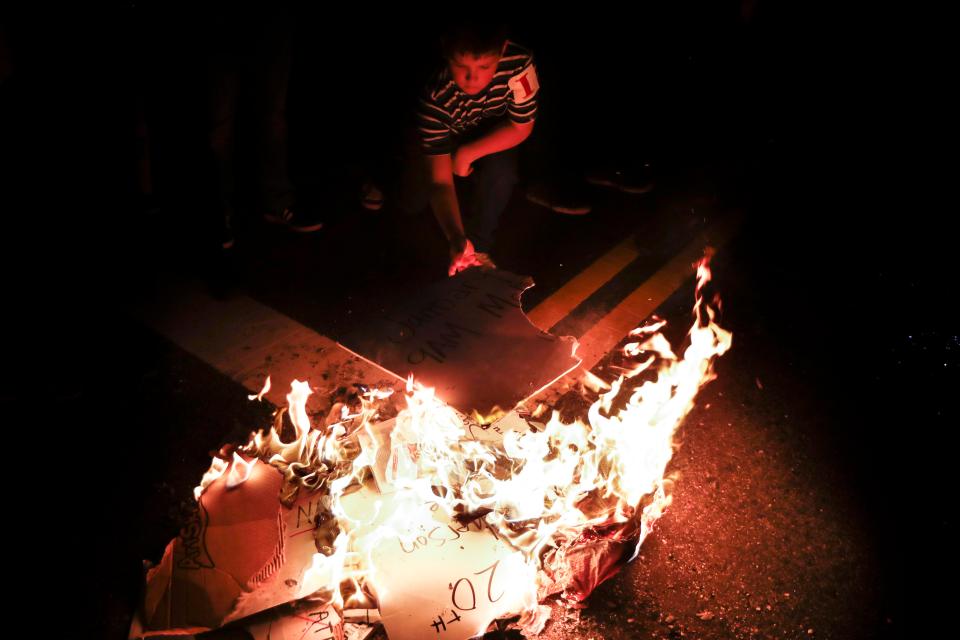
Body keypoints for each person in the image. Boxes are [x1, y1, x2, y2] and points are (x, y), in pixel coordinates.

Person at [411, 23, 539, 276]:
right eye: (462, 66)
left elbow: (521, 127)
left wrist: (467, 153)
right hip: (448, 132)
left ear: (502, 50)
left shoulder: (519, 63)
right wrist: (456, 237)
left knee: (501, 171)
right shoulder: (435, 93)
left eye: (484, 67)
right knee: (411, 201)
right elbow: (440, 182)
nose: (473, 79)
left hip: (491, 128)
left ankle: (478, 247)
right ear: (446, 52)